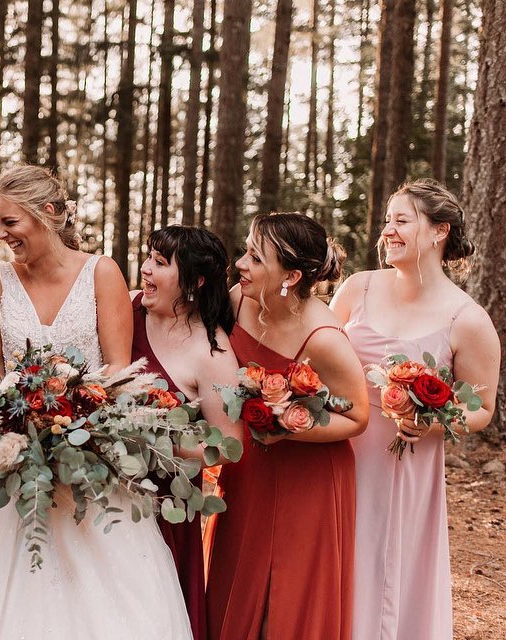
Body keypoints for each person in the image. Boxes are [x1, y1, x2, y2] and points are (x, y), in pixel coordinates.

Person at [0, 165, 193, 639]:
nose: (1, 234)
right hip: (16, 464)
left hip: (91, 460)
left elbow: (117, 368)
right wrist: (19, 422)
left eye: (10, 222)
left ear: (48, 213)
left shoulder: (102, 272)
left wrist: (86, 427)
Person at [330, 179, 500, 640]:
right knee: (335, 562)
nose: (387, 231)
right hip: (336, 455)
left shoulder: (467, 318)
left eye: (402, 221)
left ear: (438, 231)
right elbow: (319, 355)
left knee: (387, 569)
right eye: (388, 221)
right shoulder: (357, 288)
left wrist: (432, 424)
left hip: (404, 466)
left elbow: (482, 407)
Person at [205, 212, 369, 640]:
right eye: (246, 251)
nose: (241, 264)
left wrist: (289, 424)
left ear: (291, 276)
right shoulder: (239, 299)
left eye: (256, 258)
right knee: (237, 575)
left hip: (309, 479)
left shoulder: (325, 338)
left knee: (291, 595)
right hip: (251, 470)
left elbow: (357, 417)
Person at [129, 225, 242, 640]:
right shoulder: (126, 309)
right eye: (148, 258)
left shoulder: (212, 352)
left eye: (160, 263)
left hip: (166, 505)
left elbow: (228, 447)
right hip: (108, 489)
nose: (145, 270)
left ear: (194, 281)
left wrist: (155, 441)